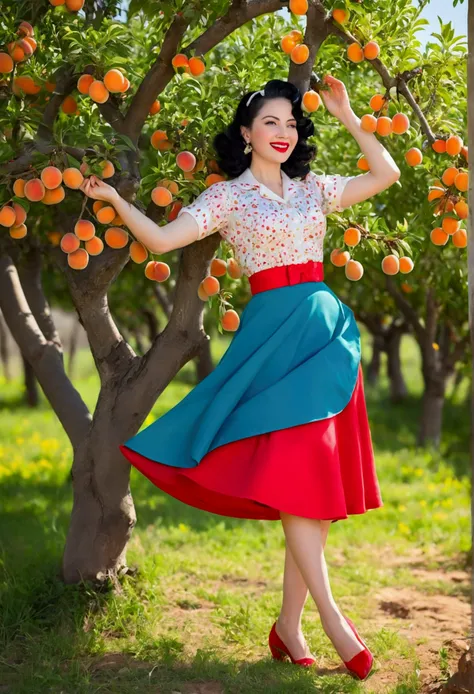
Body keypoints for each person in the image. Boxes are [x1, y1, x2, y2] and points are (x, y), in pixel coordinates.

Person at [80, 76, 400, 680]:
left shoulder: (312, 189)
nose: (284, 133)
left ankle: (288, 625)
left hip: (324, 337)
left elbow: (387, 174)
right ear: (247, 132)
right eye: (271, 122)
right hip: (272, 340)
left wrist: (349, 115)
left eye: (291, 124)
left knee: (309, 488)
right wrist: (115, 203)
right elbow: (164, 239)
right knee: (299, 483)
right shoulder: (228, 197)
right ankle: (330, 617)